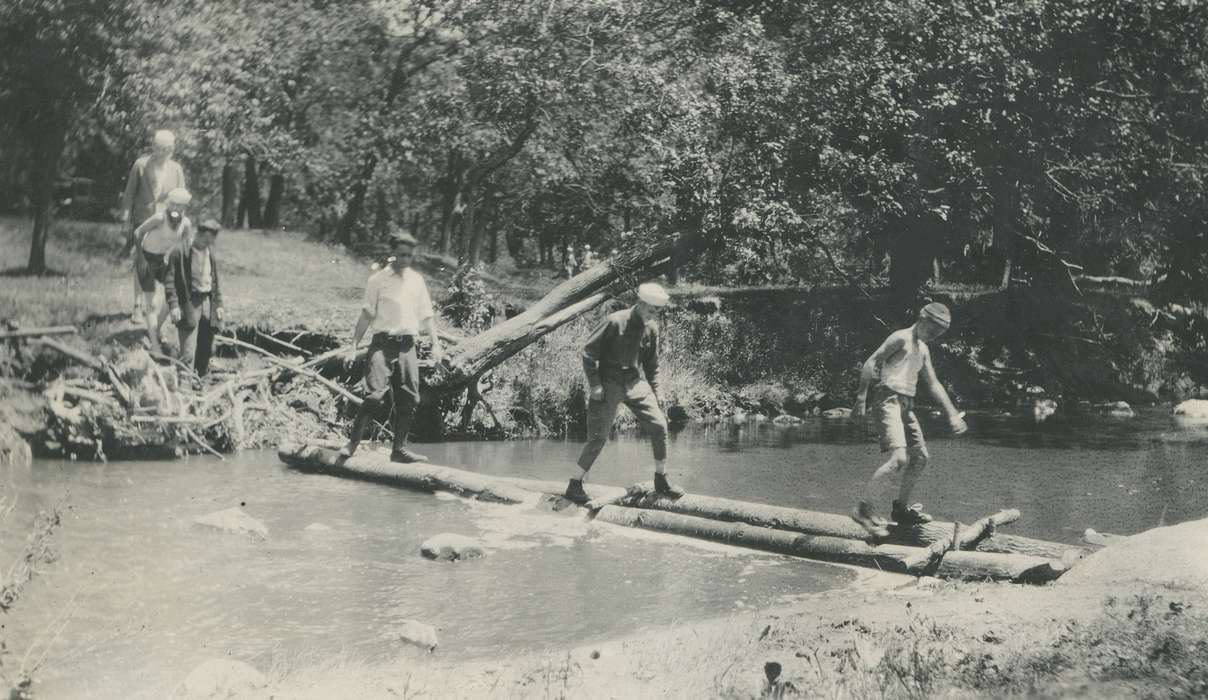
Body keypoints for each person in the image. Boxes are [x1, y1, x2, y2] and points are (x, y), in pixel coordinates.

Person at [851, 302, 967, 537]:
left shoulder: (923, 349)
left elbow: (933, 383)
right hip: (887, 399)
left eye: (939, 334)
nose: (933, 336)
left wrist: (952, 414)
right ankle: (863, 510)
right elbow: (871, 362)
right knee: (899, 458)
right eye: (932, 330)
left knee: (921, 457)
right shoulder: (900, 338)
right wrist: (861, 398)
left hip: (907, 405)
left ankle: (901, 509)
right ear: (922, 318)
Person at [563, 282, 681, 505]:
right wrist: (595, 384)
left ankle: (661, 479)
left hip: (636, 383)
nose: (653, 315)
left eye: (657, 311)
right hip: (609, 383)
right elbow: (588, 353)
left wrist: (658, 391)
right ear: (640, 303)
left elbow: (652, 365)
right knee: (598, 437)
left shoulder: (652, 328)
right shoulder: (615, 321)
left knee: (659, 426)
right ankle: (574, 484)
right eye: (651, 310)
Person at [339, 230, 443, 463]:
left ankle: (398, 450)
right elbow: (367, 314)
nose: (406, 260)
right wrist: (353, 346)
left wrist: (436, 345)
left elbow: (427, 316)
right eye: (402, 255)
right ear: (392, 253)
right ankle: (352, 443)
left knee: (409, 398)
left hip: (407, 346)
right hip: (382, 345)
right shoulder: (377, 280)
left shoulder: (416, 281)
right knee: (374, 396)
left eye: (409, 256)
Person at [118, 130, 187, 320]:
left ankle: (154, 303)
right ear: (153, 146)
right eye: (159, 147)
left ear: (172, 149)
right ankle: (137, 306)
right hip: (143, 219)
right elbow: (130, 193)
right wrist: (125, 219)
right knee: (141, 262)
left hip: (167, 221)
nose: (162, 152)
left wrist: (180, 223)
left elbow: (182, 197)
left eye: (167, 148)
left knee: (161, 262)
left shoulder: (176, 169)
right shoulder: (141, 165)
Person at [131, 187, 194, 353]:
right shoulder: (159, 218)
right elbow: (137, 233)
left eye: (179, 206)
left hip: (161, 260)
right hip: (145, 257)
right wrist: (141, 259)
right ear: (168, 204)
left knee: (174, 295)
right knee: (151, 303)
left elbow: (187, 247)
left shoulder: (186, 224)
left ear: (185, 208)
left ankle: (156, 328)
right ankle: (155, 346)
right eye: (172, 204)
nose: (174, 208)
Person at [166, 218, 223, 376]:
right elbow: (170, 281)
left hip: (208, 303)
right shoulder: (180, 252)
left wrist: (218, 305)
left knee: (206, 348)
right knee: (188, 352)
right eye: (206, 241)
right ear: (199, 234)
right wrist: (174, 305)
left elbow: (215, 281)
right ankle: (185, 389)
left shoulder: (210, 252)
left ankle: (200, 384)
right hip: (189, 303)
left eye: (211, 242)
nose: (208, 245)